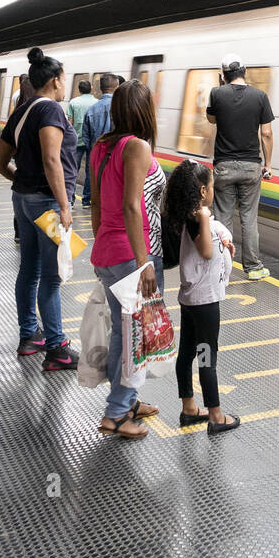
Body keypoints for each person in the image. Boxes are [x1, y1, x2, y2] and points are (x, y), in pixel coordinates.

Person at [0, 49, 79, 369]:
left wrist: (23, 183)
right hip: (47, 203)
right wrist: (63, 205)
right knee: (52, 276)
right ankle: (57, 348)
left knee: (28, 270)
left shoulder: (21, 111)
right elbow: (51, 159)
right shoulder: (52, 111)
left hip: (24, 199)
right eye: (64, 78)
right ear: (56, 81)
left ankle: (30, 335)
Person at [89, 80, 166, 438]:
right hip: (129, 254)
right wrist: (143, 261)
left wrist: (99, 245)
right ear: (144, 110)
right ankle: (116, 414)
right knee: (131, 335)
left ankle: (129, 399)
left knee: (127, 331)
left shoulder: (102, 147)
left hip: (109, 250)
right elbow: (131, 206)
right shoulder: (136, 147)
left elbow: (98, 204)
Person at [164, 160, 239, 434]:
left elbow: (208, 249)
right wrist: (207, 219)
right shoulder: (199, 217)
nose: (213, 188)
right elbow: (206, 252)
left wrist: (223, 243)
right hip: (205, 301)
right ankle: (216, 416)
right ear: (202, 190)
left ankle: (189, 408)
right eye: (211, 185)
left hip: (192, 298)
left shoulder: (190, 214)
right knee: (207, 356)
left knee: (187, 354)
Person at [206, 52, 273, 281]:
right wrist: (269, 165)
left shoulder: (217, 93)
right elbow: (266, 133)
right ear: (245, 72)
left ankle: (222, 269)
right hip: (251, 166)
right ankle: (253, 268)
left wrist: (220, 87)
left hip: (223, 165)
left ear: (223, 75)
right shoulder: (260, 96)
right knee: (249, 217)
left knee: (223, 217)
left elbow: (212, 120)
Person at [78, 73, 118, 208]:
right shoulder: (120, 107)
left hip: (94, 149)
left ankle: (86, 200)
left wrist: (92, 148)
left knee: (92, 175)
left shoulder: (91, 109)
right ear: (116, 87)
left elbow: (85, 134)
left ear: (101, 88)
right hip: (114, 152)